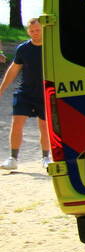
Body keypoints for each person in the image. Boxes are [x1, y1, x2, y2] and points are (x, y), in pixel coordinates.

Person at [0, 19, 48, 170]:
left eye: (38, 30)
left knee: (44, 126)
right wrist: (1, 90)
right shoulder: (23, 49)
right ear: (28, 31)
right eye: (32, 31)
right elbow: (13, 69)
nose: (35, 33)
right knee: (17, 123)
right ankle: (13, 158)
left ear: (43, 29)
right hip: (25, 92)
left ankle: (46, 157)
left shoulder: (51, 47)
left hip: (45, 92)